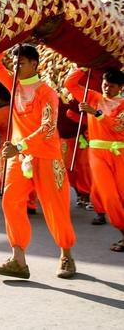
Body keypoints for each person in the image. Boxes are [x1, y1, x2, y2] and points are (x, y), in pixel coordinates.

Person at [0, 45, 76, 279]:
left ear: (34, 64)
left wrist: (20, 146)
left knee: (56, 207)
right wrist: (7, 39)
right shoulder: (13, 85)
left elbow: (47, 128)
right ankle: (18, 260)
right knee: (10, 202)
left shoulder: (47, 92)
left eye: (21, 63)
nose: (15, 67)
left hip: (46, 155)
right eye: (14, 63)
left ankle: (66, 255)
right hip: (18, 157)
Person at [64, 67, 124, 252]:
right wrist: (84, 65)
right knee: (108, 195)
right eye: (105, 85)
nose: (107, 89)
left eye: (112, 87)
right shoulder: (93, 97)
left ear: (120, 88)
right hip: (97, 153)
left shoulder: (122, 104)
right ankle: (123, 230)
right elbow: (70, 84)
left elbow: (118, 127)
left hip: (120, 153)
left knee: (122, 194)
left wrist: (95, 113)